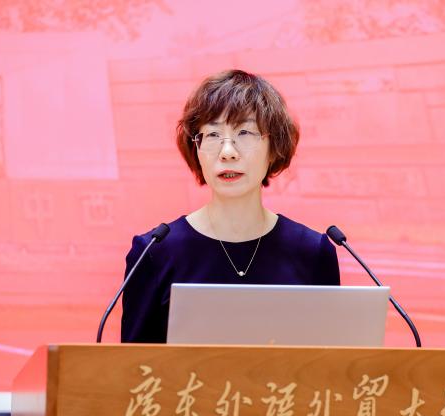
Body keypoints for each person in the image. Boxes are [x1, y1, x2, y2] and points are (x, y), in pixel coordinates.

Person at [121, 68, 340, 343]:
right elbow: (134, 366)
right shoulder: (154, 252)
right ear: (196, 148)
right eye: (212, 135)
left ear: (274, 148)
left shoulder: (312, 252)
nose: (227, 152)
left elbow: (328, 361)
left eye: (244, 133)